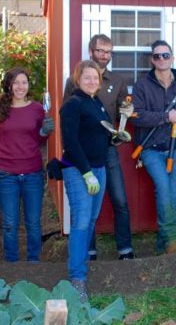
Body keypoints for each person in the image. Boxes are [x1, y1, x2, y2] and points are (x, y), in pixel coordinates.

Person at [63, 34, 135, 260]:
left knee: (120, 200)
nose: (104, 55)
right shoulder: (74, 82)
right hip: (82, 151)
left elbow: (127, 107)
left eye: (108, 52)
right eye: (100, 51)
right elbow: (68, 118)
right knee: (85, 207)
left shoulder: (118, 80)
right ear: (90, 51)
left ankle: (125, 250)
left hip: (107, 148)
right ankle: (89, 252)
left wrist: (128, 113)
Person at [0, 67, 55, 263]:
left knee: (33, 223)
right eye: (16, 83)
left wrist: (44, 132)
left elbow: (38, 139)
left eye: (24, 82)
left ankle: (34, 263)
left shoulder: (38, 109)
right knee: (9, 224)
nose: (20, 86)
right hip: (7, 175)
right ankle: (11, 264)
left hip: (32, 173)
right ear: (9, 85)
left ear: (29, 85)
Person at [132, 40, 176, 254]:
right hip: (150, 149)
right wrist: (166, 116)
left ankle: (163, 245)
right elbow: (137, 117)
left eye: (165, 55)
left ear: (172, 58)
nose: (161, 59)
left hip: (175, 150)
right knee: (165, 190)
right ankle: (172, 240)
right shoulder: (142, 85)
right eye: (157, 56)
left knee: (173, 196)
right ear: (152, 60)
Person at [60, 60, 110, 303]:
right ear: (78, 80)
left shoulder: (96, 103)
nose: (92, 81)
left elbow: (103, 133)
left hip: (99, 169)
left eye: (95, 78)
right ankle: (77, 278)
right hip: (79, 171)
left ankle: (82, 264)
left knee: (90, 219)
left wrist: (117, 137)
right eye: (87, 77)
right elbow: (70, 141)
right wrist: (86, 171)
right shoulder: (73, 104)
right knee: (80, 221)